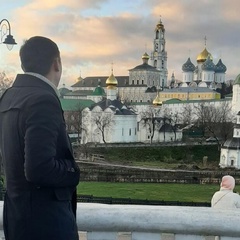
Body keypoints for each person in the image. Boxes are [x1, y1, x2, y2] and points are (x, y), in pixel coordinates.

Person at [0, 36, 80, 240]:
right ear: (57, 63)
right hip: (48, 224)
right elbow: (38, 168)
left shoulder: (8, 97)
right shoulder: (43, 99)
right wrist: (73, 170)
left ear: (23, 63)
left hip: (17, 220)